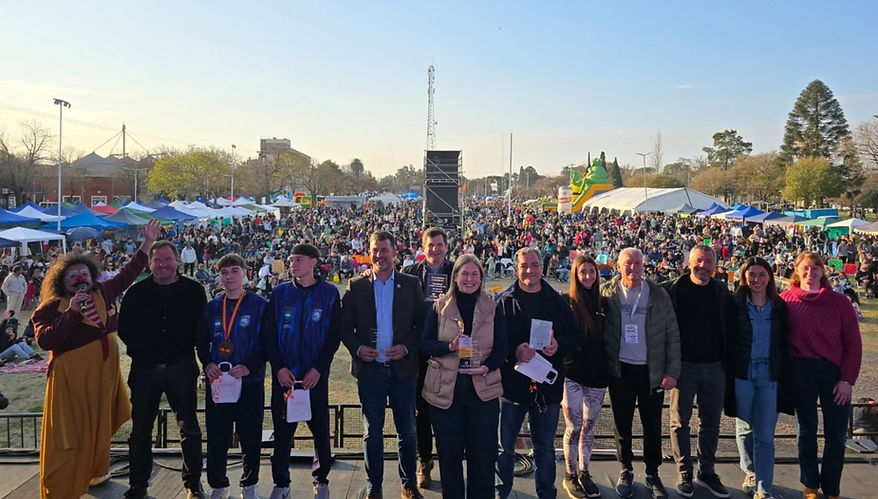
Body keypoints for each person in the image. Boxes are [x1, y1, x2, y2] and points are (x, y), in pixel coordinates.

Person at [31, 219, 160, 499]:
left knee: (99, 425)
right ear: (61, 281)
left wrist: (148, 242)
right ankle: (63, 485)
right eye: (73, 276)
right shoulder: (50, 308)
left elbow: (128, 273)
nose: (80, 279)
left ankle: (94, 471)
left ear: (92, 276)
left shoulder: (103, 292)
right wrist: (73, 313)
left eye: (84, 274)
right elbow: (46, 340)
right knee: (71, 434)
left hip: (103, 377)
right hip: (72, 382)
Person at [119, 239, 209, 499]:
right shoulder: (136, 293)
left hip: (181, 366)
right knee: (140, 431)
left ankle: (193, 484)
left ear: (178, 260)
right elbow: (125, 329)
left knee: (189, 428)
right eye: (157, 260)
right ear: (149, 263)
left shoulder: (194, 291)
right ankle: (138, 485)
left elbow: (201, 329)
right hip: (145, 369)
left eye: (168, 259)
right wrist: (146, 351)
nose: (163, 265)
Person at [340, 231, 427, 499]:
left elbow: (421, 325)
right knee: (372, 433)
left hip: (402, 370)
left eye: (384, 250)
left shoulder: (411, 284)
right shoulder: (357, 285)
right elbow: (345, 327)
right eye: (375, 250)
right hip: (370, 371)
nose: (380, 255)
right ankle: (373, 487)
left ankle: (408, 484)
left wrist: (406, 347)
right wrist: (357, 348)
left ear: (394, 252)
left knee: (408, 432)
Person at [495, 247, 580, 499]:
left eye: (534, 265)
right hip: (512, 386)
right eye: (524, 266)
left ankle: (546, 493)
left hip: (546, 388)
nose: (529, 270)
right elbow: (494, 342)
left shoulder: (558, 301)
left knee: (543, 447)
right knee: (505, 447)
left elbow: (574, 336)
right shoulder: (504, 301)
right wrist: (514, 352)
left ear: (542, 267)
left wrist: (558, 346)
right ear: (516, 268)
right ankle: (502, 492)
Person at [420, 254, 507, 498]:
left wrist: (487, 367)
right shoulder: (439, 306)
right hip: (446, 394)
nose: (469, 279)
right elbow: (425, 345)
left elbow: (502, 349)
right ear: (455, 277)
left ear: (481, 277)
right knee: (450, 460)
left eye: (475, 274)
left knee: (483, 459)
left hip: (483, 393)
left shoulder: (493, 307)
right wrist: (448, 347)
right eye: (465, 273)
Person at [780, 251, 862, 499]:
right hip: (800, 370)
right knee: (806, 431)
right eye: (805, 268)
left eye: (815, 268)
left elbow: (853, 344)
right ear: (797, 269)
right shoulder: (785, 301)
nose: (810, 272)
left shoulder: (839, 303)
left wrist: (847, 379)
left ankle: (832, 487)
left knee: (836, 435)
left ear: (822, 271)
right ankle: (810, 484)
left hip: (833, 372)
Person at [263, 244, 341, 499]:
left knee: (320, 430)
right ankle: (281, 482)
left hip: (314, 378)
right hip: (285, 377)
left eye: (299, 259)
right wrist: (279, 368)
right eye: (290, 259)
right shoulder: (280, 292)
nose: (293, 264)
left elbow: (333, 336)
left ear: (313, 262)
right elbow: (269, 335)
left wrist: (319, 368)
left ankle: (321, 479)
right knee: (283, 432)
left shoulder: (329, 293)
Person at [602, 247, 680, 499]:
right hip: (620, 369)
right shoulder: (608, 292)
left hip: (651, 370)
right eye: (628, 263)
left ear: (644, 265)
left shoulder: (657, 294)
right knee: (622, 424)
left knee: (652, 424)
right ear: (618, 266)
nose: (633, 268)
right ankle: (625, 468)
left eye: (637, 263)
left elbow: (672, 334)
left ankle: (652, 472)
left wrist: (672, 371)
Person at [195, 254, 269, 499]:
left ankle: (249, 486)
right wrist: (207, 363)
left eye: (234, 271)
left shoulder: (259, 305)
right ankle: (218, 485)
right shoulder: (212, 306)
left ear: (245, 272)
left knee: (250, 436)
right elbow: (202, 343)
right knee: (217, 435)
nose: (229, 277)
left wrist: (250, 366)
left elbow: (267, 343)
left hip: (249, 382)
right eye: (224, 272)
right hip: (219, 383)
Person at [662, 245, 732, 498]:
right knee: (680, 421)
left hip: (715, 366)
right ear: (688, 263)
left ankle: (707, 471)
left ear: (715, 265)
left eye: (708, 262)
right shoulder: (671, 289)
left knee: (711, 422)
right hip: (683, 366)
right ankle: (684, 472)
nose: (703, 266)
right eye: (699, 261)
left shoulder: (721, 291)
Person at [724, 256, 793, 499]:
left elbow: (786, 342)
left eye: (762, 275)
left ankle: (763, 488)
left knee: (764, 433)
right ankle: (750, 470)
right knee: (744, 426)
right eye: (751, 275)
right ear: (743, 277)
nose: (757, 280)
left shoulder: (780, 307)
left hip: (769, 375)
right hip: (742, 372)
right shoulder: (735, 305)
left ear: (770, 278)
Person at [402, 226, 453, 489]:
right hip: (419, 352)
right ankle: (425, 461)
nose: (435, 249)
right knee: (422, 411)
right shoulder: (410, 273)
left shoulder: (458, 272)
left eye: (439, 245)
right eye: (430, 245)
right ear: (423, 247)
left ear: (447, 246)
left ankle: (450, 461)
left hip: (450, 350)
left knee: (448, 408)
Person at [561, 255, 608, 498]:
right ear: (576, 275)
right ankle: (569, 474)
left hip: (599, 375)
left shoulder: (605, 302)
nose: (588, 276)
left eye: (592, 271)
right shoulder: (567, 302)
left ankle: (584, 471)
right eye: (583, 272)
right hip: (572, 373)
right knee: (574, 426)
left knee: (589, 427)